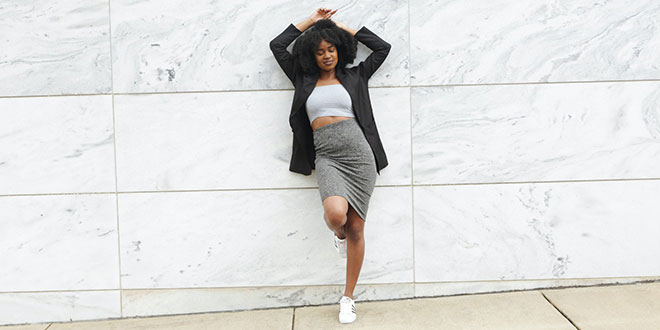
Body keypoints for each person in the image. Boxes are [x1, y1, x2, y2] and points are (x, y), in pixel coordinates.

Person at [269, 7, 391, 324]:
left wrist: (338, 27)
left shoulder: (355, 75)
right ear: (313, 55)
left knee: (357, 227)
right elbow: (278, 46)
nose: (326, 56)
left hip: (359, 155)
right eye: (320, 51)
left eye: (331, 49)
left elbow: (382, 48)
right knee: (337, 216)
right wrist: (312, 22)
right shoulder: (304, 78)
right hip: (326, 155)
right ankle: (336, 233)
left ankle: (347, 298)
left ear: (339, 49)